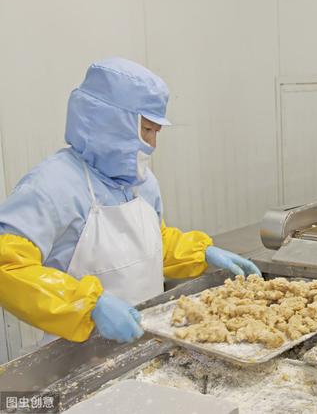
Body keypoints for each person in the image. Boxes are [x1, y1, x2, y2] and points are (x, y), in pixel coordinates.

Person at [0, 58, 260, 345]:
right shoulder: (51, 187)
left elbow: (152, 245)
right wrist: (88, 305)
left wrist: (201, 252)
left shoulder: (142, 182)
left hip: (146, 340)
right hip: (76, 353)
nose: (152, 144)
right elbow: (8, 267)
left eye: (156, 132)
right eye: (146, 130)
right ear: (110, 123)